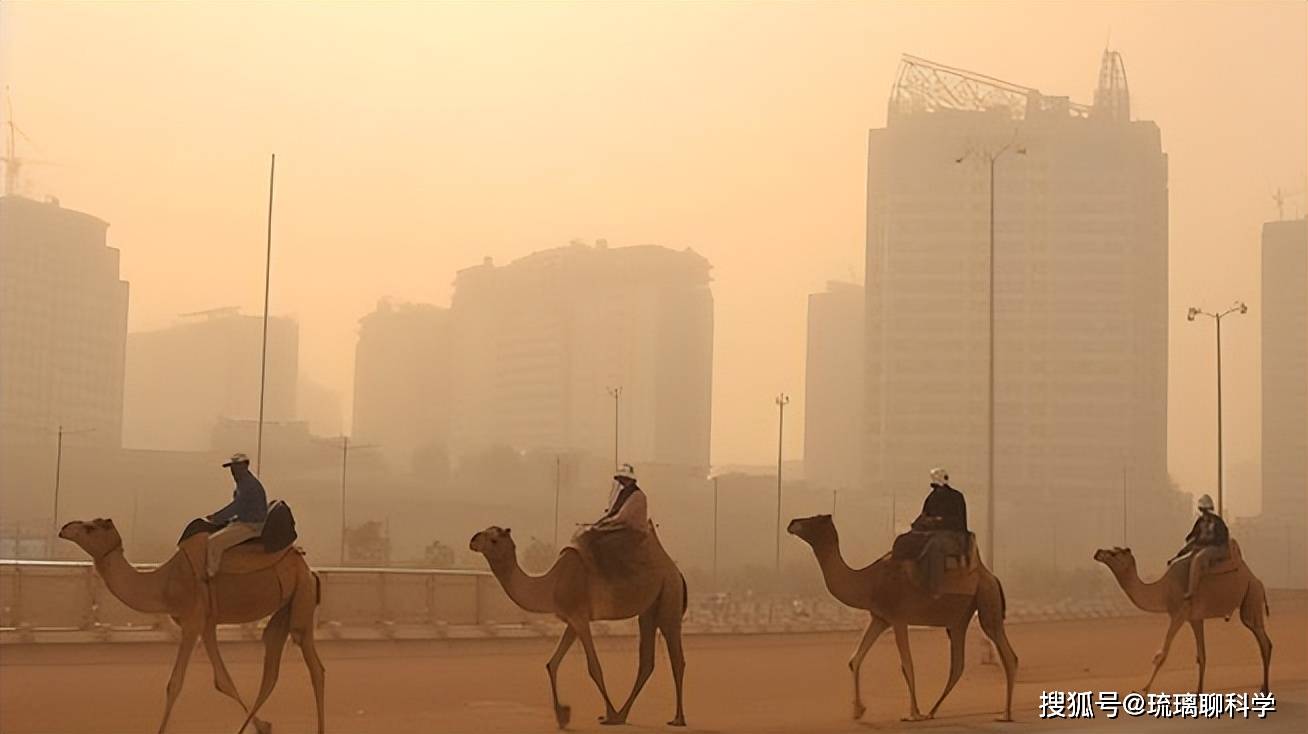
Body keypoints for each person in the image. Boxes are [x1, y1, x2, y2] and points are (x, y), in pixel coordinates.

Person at [204, 453, 268, 578]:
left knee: (213, 542)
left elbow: (237, 506)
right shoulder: (244, 483)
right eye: (232, 468)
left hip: (251, 525)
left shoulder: (248, 485)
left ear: (245, 466)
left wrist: (216, 518)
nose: (233, 471)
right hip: (244, 520)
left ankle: (210, 574)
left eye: (236, 467)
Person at [909, 467, 970, 596]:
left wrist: (938, 521)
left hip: (954, 537)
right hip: (933, 536)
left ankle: (934, 586)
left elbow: (959, 522)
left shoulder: (956, 498)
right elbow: (924, 516)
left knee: (934, 547)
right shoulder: (931, 498)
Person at [1173, 494, 1230, 600]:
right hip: (1203, 546)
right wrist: (1183, 551)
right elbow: (1192, 536)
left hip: (1217, 548)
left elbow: (1220, 539)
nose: (1204, 513)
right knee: (1183, 558)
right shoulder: (1200, 522)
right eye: (1203, 510)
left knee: (1198, 559)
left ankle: (1192, 591)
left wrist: (1201, 544)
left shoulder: (1217, 522)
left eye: (1205, 510)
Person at [593, 463, 648, 534]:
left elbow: (622, 517)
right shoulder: (623, 493)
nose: (621, 481)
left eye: (623, 478)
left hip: (632, 532)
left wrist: (603, 523)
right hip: (623, 528)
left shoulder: (637, 495)